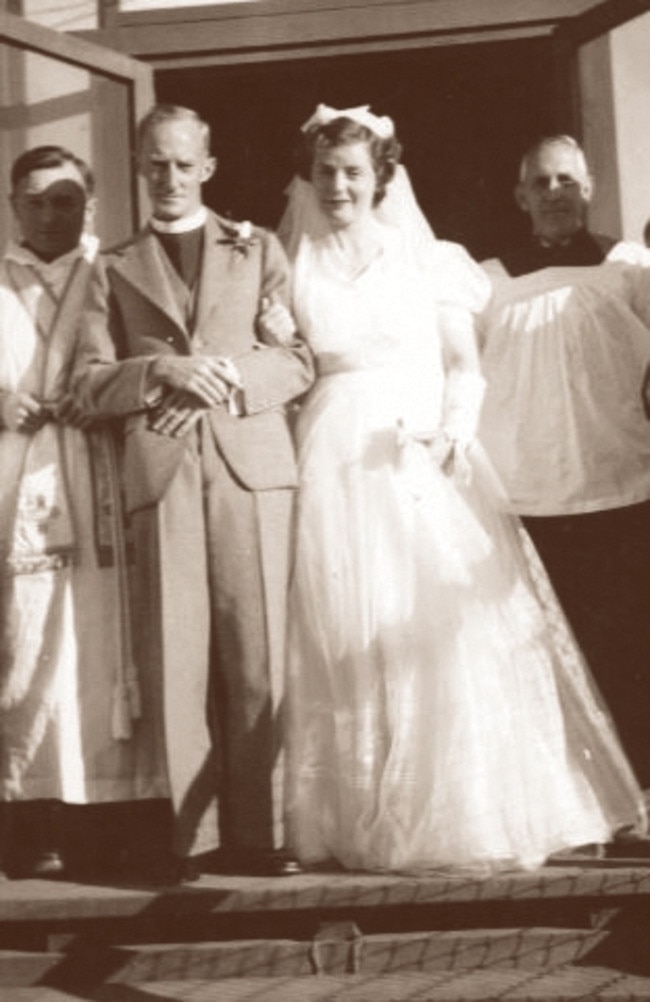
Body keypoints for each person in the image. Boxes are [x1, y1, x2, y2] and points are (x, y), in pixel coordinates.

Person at [278, 104, 646, 874]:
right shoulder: (300, 261)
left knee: (459, 634)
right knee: (344, 626)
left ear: (382, 177)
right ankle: (354, 809)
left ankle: (582, 808)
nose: (339, 184)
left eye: (354, 171)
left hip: (481, 464)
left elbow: (460, 368)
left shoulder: (457, 263)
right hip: (346, 454)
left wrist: (450, 427)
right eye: (327, 171)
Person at [73, 105, 314, 878]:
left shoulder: (258, 247)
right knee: (178, 656)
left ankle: (261, 835)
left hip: (250, 467)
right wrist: (160, 374)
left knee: (258, 656)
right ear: (138, 168)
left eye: (182, 164)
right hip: (163, 466)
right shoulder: (109, 267)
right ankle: (191, 840)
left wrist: (231, 378)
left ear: (207, 166)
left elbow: (301, 362)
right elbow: (84, 384)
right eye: (154, 165)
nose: (168, 179)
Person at [0, 146, 165, 879]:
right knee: (24, 646)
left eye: (64, 200)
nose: (48, 213)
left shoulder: (119, 271)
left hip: (97, 476)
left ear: (89, 206)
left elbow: (151, 362)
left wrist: (96, 396)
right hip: (16, 481)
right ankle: (27, 819)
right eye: (32, 200)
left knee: (100, 651)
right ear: (12, 207)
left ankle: (106, 818)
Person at [479, 135, 650, 789]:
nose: (556, 193)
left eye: (568, 181)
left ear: (591, 188)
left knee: (630, 651)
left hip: (623, 489)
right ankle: (574, 802)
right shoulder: (489, 280)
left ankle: (640, 798)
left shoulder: (631, 268)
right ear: (520, 195)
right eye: (542, 182)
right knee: (548, 658)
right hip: (530, 500)